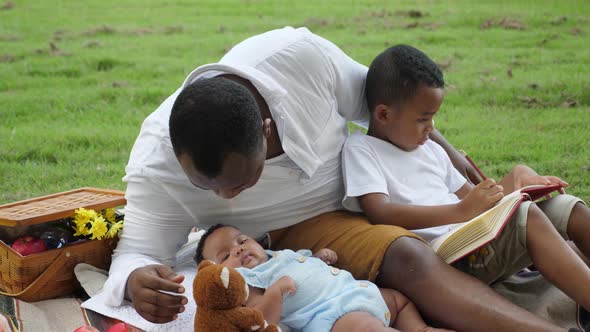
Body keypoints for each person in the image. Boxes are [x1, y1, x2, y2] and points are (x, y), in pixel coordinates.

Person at [100, 26, 567, 331]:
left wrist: (451, 161)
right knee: (404, 255)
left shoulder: (300, 60)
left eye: (239, 182)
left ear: (265, 131)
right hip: (305, 226)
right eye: (207, 186)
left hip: (374, 175)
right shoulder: (157, 163)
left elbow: (386, 106)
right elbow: (136, 252)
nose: (223, 197)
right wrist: (137, 278)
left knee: (536, 212)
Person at [341, 44, 590, 311]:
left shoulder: (431, 150)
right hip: (451, 259)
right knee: (528, 219)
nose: (432, 128)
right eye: (423, 119)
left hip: (478, 237)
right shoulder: (361, 150)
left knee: (567, 208)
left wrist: (517, 180)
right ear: (383, 114)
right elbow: (380, 211)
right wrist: (459, 211)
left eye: (434, 117)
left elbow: (476, 200)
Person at [195, 224, 454, 332]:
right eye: (225, 254)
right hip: (331, 317)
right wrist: (275, 292)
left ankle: (420, 328)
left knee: (399, 301)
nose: (238, 249)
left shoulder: (278, 255)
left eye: (242, 241)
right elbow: (261, 319)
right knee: (367, 328)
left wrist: (318, 258)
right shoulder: (247, 281)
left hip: (358, 292)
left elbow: (306, 268)